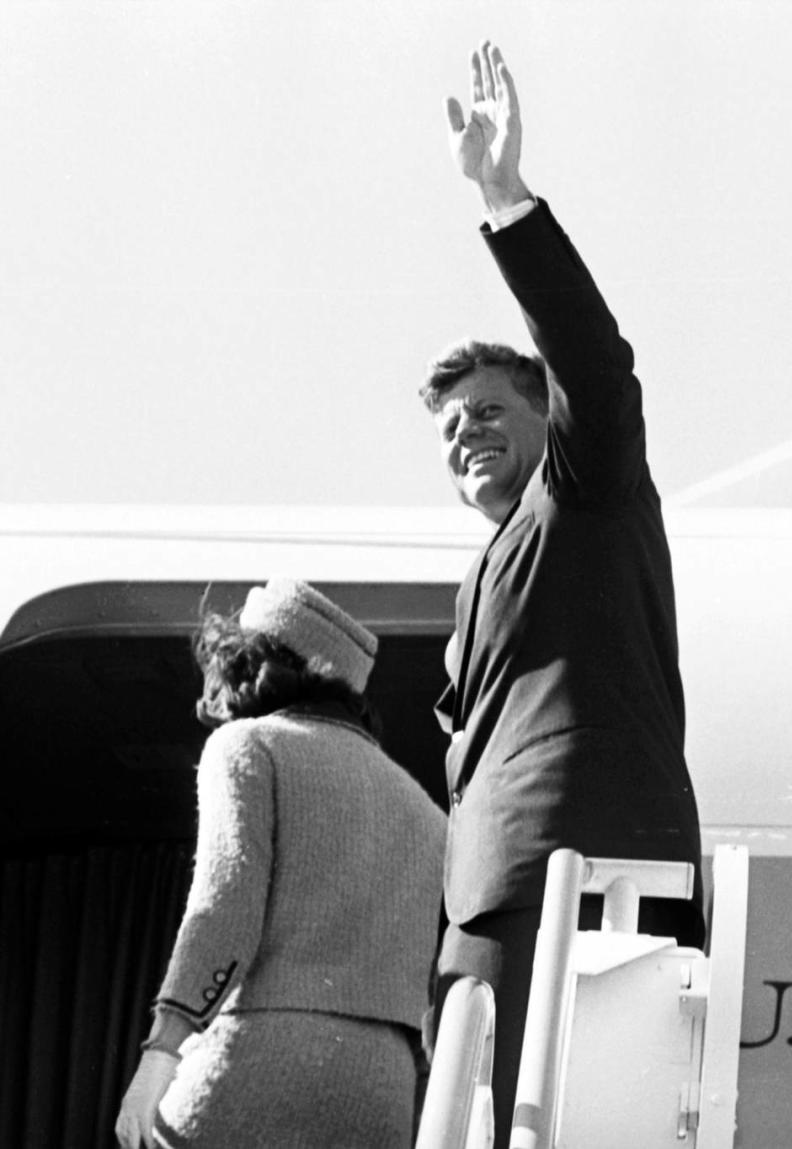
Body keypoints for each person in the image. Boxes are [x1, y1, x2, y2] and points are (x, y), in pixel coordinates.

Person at [420, 43, 705, 1145]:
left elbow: (595, 358)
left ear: (545, 423)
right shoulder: (483, 573)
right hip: (489, 898)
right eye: (450, 429)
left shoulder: (583, 494)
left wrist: (504, 200)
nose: (467, 434)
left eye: (490, 409)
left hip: (581, 872)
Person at [115, 578, 446, 1149]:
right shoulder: (426, 811)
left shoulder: (246, 746)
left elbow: (223, 912)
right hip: (383, 1092)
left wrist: (160, 1053)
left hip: (262, 1064)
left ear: (250, 665)